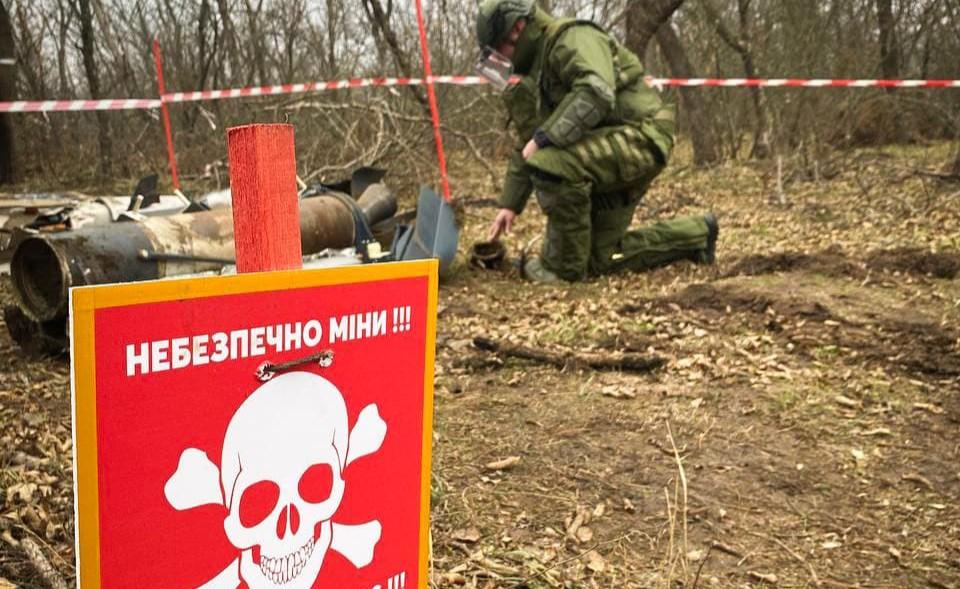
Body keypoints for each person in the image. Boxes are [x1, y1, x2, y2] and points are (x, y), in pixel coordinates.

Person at [475, 0, 719, 283]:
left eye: (498, 49)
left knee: (551, 162)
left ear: (517, 28)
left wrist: (544, 139)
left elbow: (596, 91)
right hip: (611, 146)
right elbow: (527, 144)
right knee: (601, 259)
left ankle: (561, 271)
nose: (501, 60)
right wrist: (510, 204)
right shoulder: (535, 73)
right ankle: (697, 235)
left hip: (642, 135)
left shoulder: (571, 38)